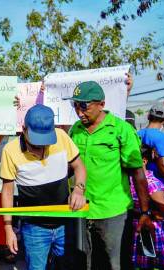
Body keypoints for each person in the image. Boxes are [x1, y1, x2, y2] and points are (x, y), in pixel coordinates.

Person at [65, 81, 152, 270]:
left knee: (115, 265)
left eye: (84, 106)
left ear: (101, 104)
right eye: (76, 105)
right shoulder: (75, 130)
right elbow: (70, 168)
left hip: (113, 214)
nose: (79, 112)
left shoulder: (121, 130)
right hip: (81, 211)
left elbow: (138, 173)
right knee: (85, 264)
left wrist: (145, 213)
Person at [0, 104, 87, 270]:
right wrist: (8, 228)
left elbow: (79, 167)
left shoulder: (61, 137)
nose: (41, 148)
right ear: (24, 129)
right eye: (35, 142)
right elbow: (8, 192)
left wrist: (78, 189)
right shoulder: (10, 151)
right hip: (34, 229)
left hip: (65, 223)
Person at [129, 146, 164, 269]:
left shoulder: (150, 183)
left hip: (149, 230)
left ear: (144, 161)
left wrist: (151, 215)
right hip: (141, 229)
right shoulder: (132, 180)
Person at [137, 103, 164, 182]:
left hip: (140, 180)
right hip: (158, 184)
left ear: (148, 116)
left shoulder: (136, 134)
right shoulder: (162, 138)